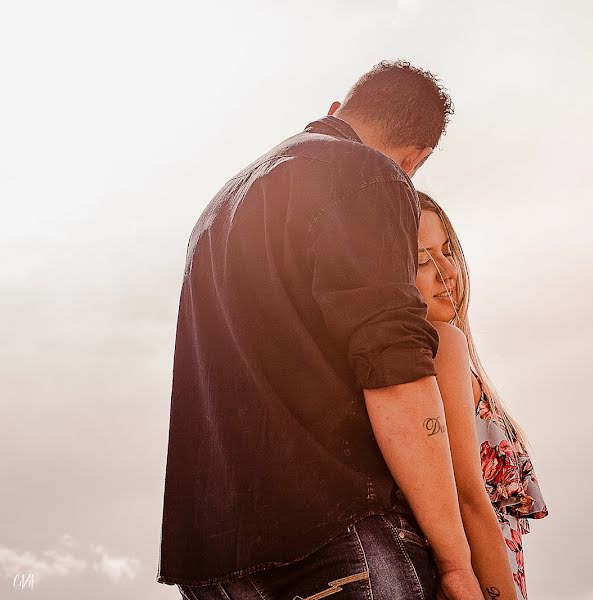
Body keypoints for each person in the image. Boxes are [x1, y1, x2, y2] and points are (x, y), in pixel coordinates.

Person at [157, 61, 486, 600]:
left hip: (214, 557)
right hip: (338, 538)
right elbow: (396, 373)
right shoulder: (371, 175)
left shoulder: (217, 213)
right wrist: (455, 563)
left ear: (336, 110)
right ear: (415, 159)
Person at [414, 192, 549, 600]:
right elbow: (469, 498)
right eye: (422, 260)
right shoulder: (442, 347)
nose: (447, 271)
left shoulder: (436, 354)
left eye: (448, 250)